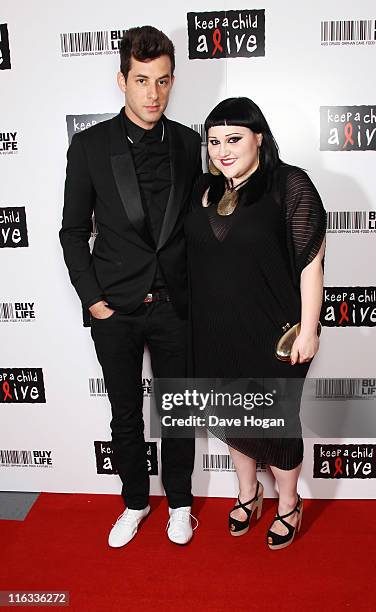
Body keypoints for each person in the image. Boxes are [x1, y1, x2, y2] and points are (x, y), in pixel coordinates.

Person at [60, 26, 202, 547]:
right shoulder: (91, 146)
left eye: (163, 81)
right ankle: (136, 502)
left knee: (178, 408)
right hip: (115, 307)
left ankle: (181, 502)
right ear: (122, 79)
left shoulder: (190, 143)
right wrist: (93, 300)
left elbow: (199, 227)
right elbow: (73, 231)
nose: (154, 94)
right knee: (124, 410)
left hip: (174, 305)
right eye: (142, 81)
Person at [185, 97, 326, 549]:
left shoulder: (289, 184)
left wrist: (309, 328)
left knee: (277, 422)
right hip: (214, 330)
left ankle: (288, 502)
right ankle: (247, 493)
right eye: (214, 141)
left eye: (234, 138)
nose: (222, 150)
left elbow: (311, 263)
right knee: (231, 414)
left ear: (258, 137)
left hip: (274, 333)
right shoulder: (203, 190)